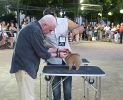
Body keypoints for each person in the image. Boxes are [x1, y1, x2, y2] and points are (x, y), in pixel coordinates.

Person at [10, 15, 69, 100]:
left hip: (24, 68)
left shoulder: (34, 27)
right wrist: (59, 55)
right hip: (24, 69)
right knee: (27, 98)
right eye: (50, 30)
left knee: (27, 96)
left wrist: (59, 50)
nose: (49, 32)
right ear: (44, 25)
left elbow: (41, 48)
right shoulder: (35, 30)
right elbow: (42, 53)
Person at [43, 8, 85, 100]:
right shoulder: (43, 26)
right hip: (53, 61)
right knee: (55, 88)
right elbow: (41, 43)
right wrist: (50, 47)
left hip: (67, 59)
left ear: (55, 15)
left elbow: (81, 28)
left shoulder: (64, 21)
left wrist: (76, 30)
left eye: (52, 18)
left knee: (67, 86)